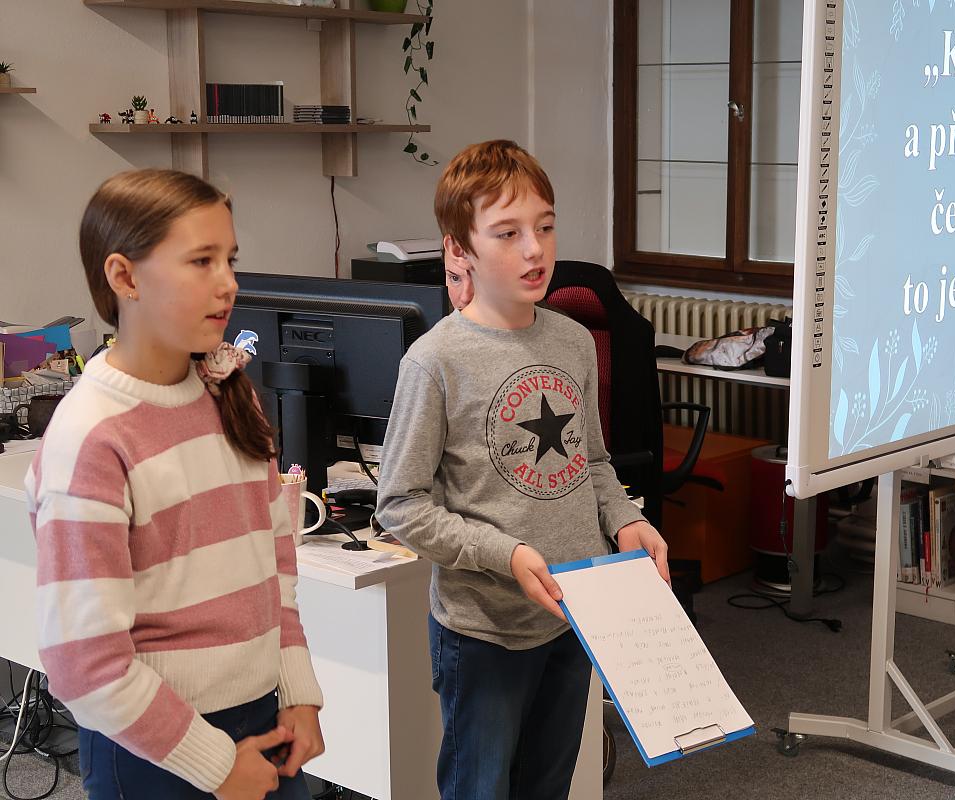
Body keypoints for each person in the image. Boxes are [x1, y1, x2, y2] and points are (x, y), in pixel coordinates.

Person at [376, 139, 670, 800]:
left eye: (545, 226)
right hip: (486, 629)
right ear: (460, 250)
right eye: (507, 233)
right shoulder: (436, 361)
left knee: (548, 786)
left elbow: (591, 462)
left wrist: (625, 520)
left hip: (574, 614)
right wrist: (503, 554)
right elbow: (399, 504)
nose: (535, 250)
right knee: (481, 789)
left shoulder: (572, 340)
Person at [26, 169, 325, 799]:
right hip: (152, 747)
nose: (229, 282)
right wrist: (215, 764)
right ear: (125, 277)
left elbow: (274, 563)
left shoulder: (228, 396)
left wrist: (297, 689)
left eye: (229, 259)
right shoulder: (91, 437)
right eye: (200, 261)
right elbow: (85, 664)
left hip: (261, 716)